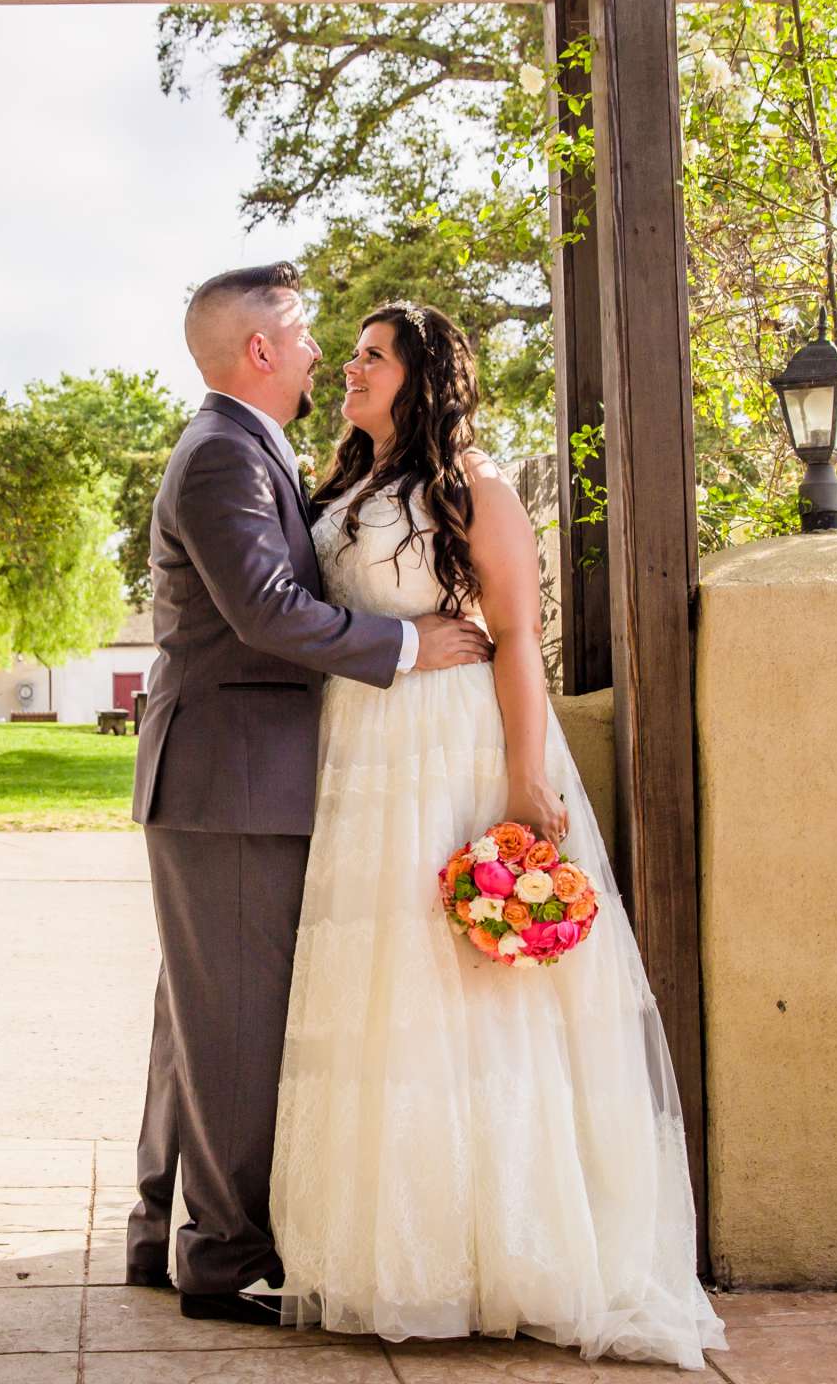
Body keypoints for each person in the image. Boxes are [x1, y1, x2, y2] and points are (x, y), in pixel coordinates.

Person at [269, 300, 725, 1367]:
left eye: (373, 357)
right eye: (350, 354)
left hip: (451, 747)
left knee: (463, 988)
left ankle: (508, 1254)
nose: (351, 367)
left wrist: (526, 778)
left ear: (423, 376)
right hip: (361, 755)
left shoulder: (475, 485)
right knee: (381, 985)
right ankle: (392, 1250)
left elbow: (517, 637)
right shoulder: (341, 487)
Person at [126, 263, 493, 1327]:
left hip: (230, 779)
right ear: (257, 351)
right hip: (232, 782)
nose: (320, 352)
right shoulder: (222, 459)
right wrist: (406, 646)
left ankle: (163, 1234)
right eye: (302, 332)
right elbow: (269, 613)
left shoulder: (249, 450)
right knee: (234, 1028)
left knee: (193, 1022)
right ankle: (226, 1259)